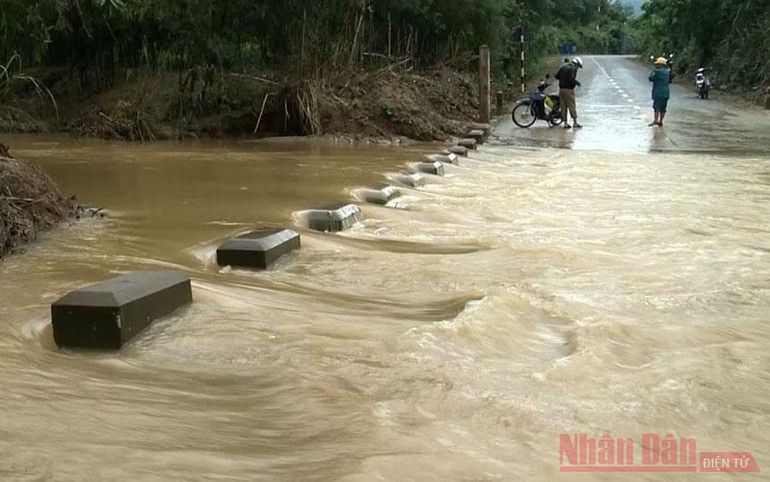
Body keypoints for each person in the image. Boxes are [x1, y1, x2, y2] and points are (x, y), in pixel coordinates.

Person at [555, 57, 583, 129]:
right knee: (572, 105)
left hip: (561, 90)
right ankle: (575, 123)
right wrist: (576, 83)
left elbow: (556, 76)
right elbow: (571, 79)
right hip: (569, 90)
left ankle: (565, 123)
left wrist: (563, 79)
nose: (578, 68)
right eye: (578, 66)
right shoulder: (573, 69)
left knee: (563, 106)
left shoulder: (563, 67)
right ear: (576, 64)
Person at [648, 57, 671, 126]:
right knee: (663, 108)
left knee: (656, 107)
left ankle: (655, 120)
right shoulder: (667, 72)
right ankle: (661, 121)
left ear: (660, 64)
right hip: (666, 92)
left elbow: (650, 78)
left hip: (658, 92)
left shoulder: (656, 71)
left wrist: (653, 71)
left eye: (657, 64)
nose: (656, 65)